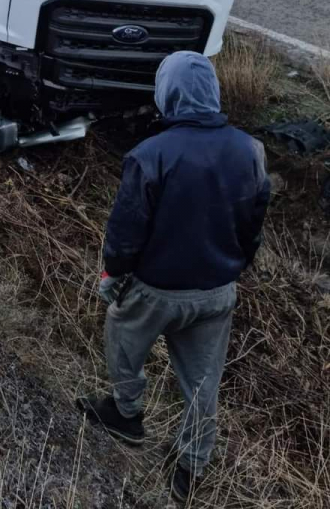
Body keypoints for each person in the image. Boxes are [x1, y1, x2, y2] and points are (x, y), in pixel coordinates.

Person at [79, 50, 270, 504]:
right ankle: (192, 466)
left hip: (155, 291)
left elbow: (125, 231)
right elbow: (254, 225)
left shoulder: (150, 155)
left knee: (122, 340)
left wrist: (113, 274)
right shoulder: (251, 150)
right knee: (203, 384)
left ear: (166, 94)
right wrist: (238, 265)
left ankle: (126, 413)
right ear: (213, 92)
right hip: (217, 293)